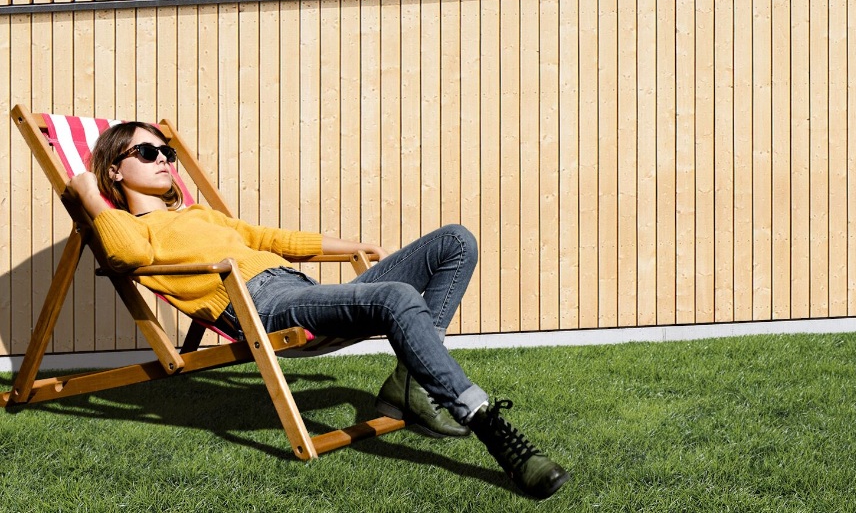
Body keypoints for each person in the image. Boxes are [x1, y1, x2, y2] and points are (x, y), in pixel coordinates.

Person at [66, 120, 571, 499]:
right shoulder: (133, 229)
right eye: (148, 151)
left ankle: (408, 386)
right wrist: (89, 193)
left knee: (455, 242)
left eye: (168, 151)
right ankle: (491, 429)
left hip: (300, 288)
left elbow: (269, 238)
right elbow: (125, 256)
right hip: (267, 307)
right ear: (115, 168)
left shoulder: (199, 213)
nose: (164, 160)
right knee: (397, 298)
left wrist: (346, 244)